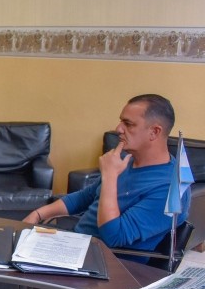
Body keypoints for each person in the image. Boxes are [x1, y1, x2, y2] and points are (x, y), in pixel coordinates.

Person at [23, 94, 191, 258]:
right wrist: (38, 214)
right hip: (77, 245)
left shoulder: (171, 189)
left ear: (154, 132)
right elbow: (85, 197)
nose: (118, 129)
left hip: (110, 263)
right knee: (9, 244)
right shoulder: (125, 160)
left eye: (128, 124)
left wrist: (110, 176)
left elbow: (114, 236)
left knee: (10, 268)